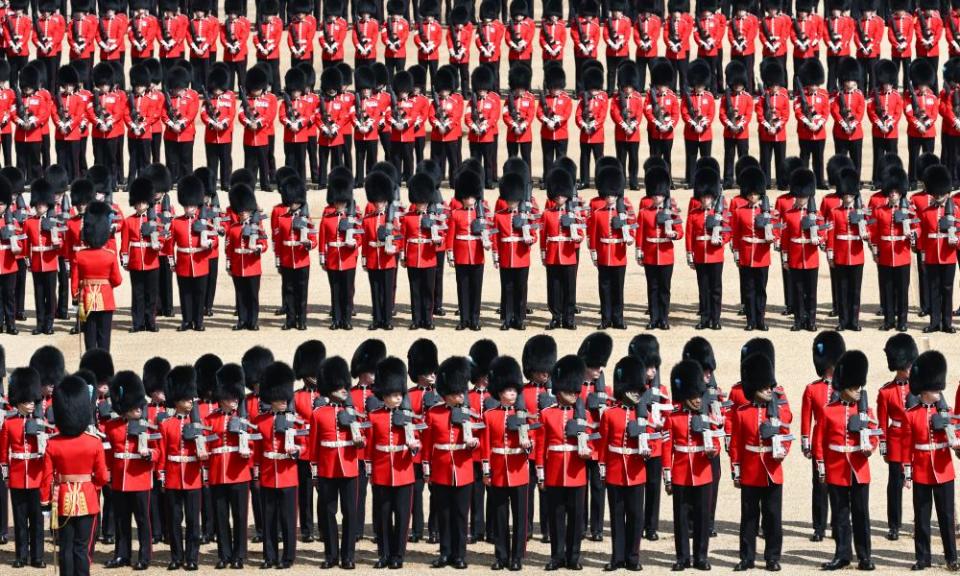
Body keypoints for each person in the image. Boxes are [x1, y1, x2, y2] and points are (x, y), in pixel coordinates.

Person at [813, 350, 878, 571]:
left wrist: (870, 448)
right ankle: (842, 555)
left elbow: (874, 433)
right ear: (843, 388)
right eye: (853, 388)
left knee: (861, 514)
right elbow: (819, 441)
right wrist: (821, 466)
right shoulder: (828, 411)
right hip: (837, 468)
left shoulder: (865, 410)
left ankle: (865, 556)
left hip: (858, 467)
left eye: (858, 387)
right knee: (840, 515)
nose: (857, 392)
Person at [730, 353, 792, 572]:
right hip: (750, 470)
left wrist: (781, 452)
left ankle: (772, 557)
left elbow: (786, 435)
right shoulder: (742, 413)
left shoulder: (778, 412)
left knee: (773, 516)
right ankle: (747, 557)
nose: (769, 390)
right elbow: (735, 444)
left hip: (772, 469)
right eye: (764, 387)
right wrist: (736, 471)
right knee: (749, 517)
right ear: (754, 388)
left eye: (769, 386)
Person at [901, 350, 960, 571]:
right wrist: (907, 471)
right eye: (936, 388)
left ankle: (951, 558)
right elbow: (907, 445)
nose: (939, 391)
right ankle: (922, 557)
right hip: (922, 470)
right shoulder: (911, 414)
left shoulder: (947, 411)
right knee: (922, 517)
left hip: (944, 469)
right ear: (925, 390)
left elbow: (957, 433)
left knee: (946, 517)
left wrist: (956, 441)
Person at [663, 359, 719, 571]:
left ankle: (701, 557)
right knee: (681, 519)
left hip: (702, 471)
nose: (697, 400)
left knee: (703, 518)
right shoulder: (673, 418)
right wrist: (667, 476)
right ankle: (682, 558)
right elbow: (667, 448)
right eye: (694, 396)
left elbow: (715, 441)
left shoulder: (707, 417)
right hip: (680, 473)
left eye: (699, 396)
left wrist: (713, 450)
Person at [422, 356, 478, 569]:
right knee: (443, 514)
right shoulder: (434, 413)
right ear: (446, 394)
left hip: (463, 470)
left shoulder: (468, 414)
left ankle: (460, 555)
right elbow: (427, 444)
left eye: (462, 392)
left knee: (461, 515)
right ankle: (445, 553)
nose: (460, 397)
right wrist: (427, 468)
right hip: (441, 470)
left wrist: (474, 444)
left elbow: (479, 442)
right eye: (456, 393)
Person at [536, 354, 589, 571]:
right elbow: (541, 446)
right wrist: (540, 472)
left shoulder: (583, 416)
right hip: (555, 472)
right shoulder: (547, 414)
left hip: (576, 472)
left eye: (576, 392)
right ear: (559, 391)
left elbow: (594, 440)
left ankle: (573, 557)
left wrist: (588, 451)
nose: (573, 395)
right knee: (556, 517)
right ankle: (556, 556)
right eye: (569, 391)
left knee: (576, 519)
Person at [596, 356, 650, 571]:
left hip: (636, 470)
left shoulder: (643, 414)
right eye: (633, 389)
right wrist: (602, 467)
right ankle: (617, 557)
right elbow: (603, 443)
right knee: (617, 517)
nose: (637, 393)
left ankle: (633, 558)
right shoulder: (610, 414)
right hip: (616, 470)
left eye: (639, 390)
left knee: (636, 517)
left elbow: (655, 439)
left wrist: (648, 450)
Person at [309, 356, 362, 569]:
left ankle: (348, 556)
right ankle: (331, 555)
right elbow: (313, 446)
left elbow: (363, 439)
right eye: (340, 386)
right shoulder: (318, 414)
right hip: (327, 469)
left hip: (349, 467)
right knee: (328, 513)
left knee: (350, 513)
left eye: (344, 386)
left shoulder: (352, 412)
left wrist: (358, 436)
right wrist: (314, 472)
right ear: (330, 387)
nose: (344, 390)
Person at [252, 362, 305, 569]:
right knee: (269, 520)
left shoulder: (295, 420)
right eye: (279, 397)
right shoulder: (260, 421)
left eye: (285, 397)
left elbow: (305, 446)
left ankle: (288, 557)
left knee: (288, 520)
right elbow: (256, 450)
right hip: (267, 475)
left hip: (288, 474)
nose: (284, 401)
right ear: (271, 397)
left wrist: (297, 451)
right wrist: (256, 473)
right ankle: (269, 556)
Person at [103, 371, 158, 570]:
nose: (139, 409)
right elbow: (108, 454)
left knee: (143, 520)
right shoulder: (112, 426)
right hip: (119, 480)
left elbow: (157, 451)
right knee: (121, 521)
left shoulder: (147, 426)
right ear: (124, 407)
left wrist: (149, 454)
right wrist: (108, 472)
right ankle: (122, 555)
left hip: (140, 478)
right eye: (134, 406)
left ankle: (144, 556)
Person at [367, 356, 418, 569]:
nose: (397, 399)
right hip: (381, 472)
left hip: (403, 471)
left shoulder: (408, 416)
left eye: (399, 395)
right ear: (384, 396)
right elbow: (369, 447)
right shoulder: (374, 416)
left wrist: (414, 446)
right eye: (393, 395)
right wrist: (370, 470)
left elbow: (418, 441)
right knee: (383, 517)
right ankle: (384, 554)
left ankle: (398, 555)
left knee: (402, 516)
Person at [203, 363, 254, 569]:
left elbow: (252, 444)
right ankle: (224, 555)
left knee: (240, 517)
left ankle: (239, 555)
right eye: (230, 397)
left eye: (236, 397)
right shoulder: (210, 419)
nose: (234, 401)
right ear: (222, 397)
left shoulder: (243, 419)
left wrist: (246, 447)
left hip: (239, 473)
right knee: (221, 517)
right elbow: (205, 444)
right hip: (217, 473)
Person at [873, 333, 918, 542]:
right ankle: (894, 525)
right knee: (895, 484)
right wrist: (883, 447)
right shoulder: (886, 392)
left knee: (921, 484)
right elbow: (881, 423)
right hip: (896, 440)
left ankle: (920, 520)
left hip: (916, 440)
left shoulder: (918, 388)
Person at [157, 366, 203, 570]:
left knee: (193, 521)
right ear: (176, 401)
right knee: (174, 520)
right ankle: (176, 557)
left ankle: (192, 557)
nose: (190, 402)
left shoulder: (198, 424)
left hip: (192, 476)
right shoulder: (166, 424)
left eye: (191, 399)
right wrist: (162, 476)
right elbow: (162, 451)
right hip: (174, 476)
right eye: (186, 399)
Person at [0, 367, 45, 569]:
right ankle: (21, 555)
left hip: (36, 475)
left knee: (36, 520)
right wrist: (6, 475)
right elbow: (3, 454)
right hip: (18, 475)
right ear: (18, 402)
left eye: (32, 401)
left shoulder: (40, 422)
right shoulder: (9, 424)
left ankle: (37, 556)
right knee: (19, 520)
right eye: (27, 402)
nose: (30, 405)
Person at [636, 166, 683, 329]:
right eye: (655, 195)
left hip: (665, 254)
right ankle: (653, 319)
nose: (657, 198)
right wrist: (639, 251)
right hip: (649, 254)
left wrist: (674, 235)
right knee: (652, 288)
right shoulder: (644, 212)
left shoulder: (672, 211)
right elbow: (640, 233)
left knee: (664, 289)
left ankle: (664, 319)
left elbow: (680, 232)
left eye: (660, 195)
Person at [72, 201, 122, 350]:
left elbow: (74, 281)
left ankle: (89, 367)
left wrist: (76, 295)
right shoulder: (110, 255)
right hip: (106, 299)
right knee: (104, 339)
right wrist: (105, 284)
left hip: (86, 299)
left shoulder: (79, 255)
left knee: (90, 338)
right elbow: (117, 280)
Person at [349, 338, 386, 543]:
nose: (374, 376)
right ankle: (356, 529)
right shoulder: (351, 394)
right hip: (358, 452)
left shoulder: (380, 396)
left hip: (378, 450)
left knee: (381, 495)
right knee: (357, 493)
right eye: (371, 372)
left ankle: (380, 530)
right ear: (363, 372)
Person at [869, 168, 913, 331]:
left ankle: (902, 321)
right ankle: (888, 320)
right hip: (886, 255)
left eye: (896, 191)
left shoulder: (909, 210)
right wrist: (875, 250)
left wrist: (912, 233)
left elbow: (918, 228)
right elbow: (873, 232)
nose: (893, 194)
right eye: (891, 191)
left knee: (902, 290)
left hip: (902, 254)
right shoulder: (880, 210)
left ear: (901, 193)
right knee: (887, 289)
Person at [686, 168, 727, 330]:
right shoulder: (693, 214)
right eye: (703, 197)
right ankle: (704, 318)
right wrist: (690, 254)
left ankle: (715, 319)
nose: (706, 200)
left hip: (715, 255)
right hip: (700, 256)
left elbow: (728, 230)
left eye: (708, 197)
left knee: (715, 289)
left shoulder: (720, 213)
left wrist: (721, 240)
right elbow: (689, 235)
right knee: (703, 289)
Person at [360, 171, 400, 329]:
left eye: (381, 201)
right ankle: (377, 319)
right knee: (375, 290)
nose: (378, 204)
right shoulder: (368, 219)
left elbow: (399, 239)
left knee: (387, 290)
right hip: (373, 258)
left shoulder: (391, 219)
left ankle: (388, 320)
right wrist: (364, 258)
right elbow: (364, 241)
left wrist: (394, 249)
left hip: (387, 259)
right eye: (376, 201)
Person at [225, 184, 267, 331]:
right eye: (241, 211)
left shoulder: (257, 226)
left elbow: (264, 243)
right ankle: (242, 320)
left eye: (245, 211)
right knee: (241, 295)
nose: (243, 213)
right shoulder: (233, 228)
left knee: (253, 296)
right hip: (238, 266)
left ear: (250, 211)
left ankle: (253, 321)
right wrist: (229, 265)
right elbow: (228, 249)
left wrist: (258, 248)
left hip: (252, 266)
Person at [866, 60, 902, 188]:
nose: (887, 86)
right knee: (878, 157)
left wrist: (890, 125)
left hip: (892, 132)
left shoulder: (897, 96)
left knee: (892, 157)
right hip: (878, 131)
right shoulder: (875, 94)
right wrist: (879, 124)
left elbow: (898, 113)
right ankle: (877, 180)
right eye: (886, 83)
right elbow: (870, 110)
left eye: (889, 83)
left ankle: (894, 180)